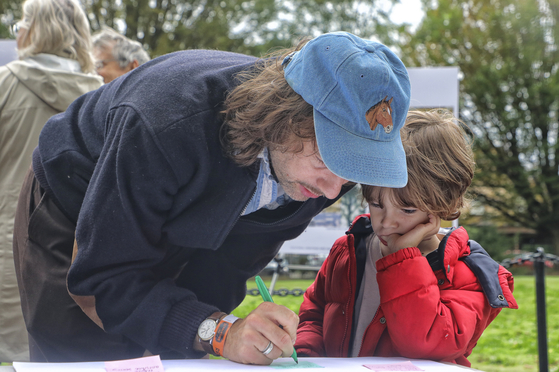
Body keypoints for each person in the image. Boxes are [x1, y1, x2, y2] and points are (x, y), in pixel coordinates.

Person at [12, 31, 412, 364]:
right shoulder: (166, 120)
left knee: (174, 355)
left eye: (352, 169)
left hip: (181, 196)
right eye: (329, 159)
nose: (329, 192)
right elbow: (102, 279)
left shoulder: (316, 175)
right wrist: (220, 332)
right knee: (83, 355)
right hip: (79, 201)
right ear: (284, 117)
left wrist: (211, 332)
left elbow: (227, 266)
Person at [294, 109, 518, 367]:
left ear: (442, 206)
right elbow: (314, 310)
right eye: (377, 204)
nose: (386, 222)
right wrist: (308, 357)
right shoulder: (348, 249)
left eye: (407, 209)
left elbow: (426, 344)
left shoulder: (468, 274)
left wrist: (402, 261)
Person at [0, 0, 102, 363]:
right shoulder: (103, 93)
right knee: (67, 357)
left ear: (31, 29)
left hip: (10, 238)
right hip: (80, 246)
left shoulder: (4, 85)